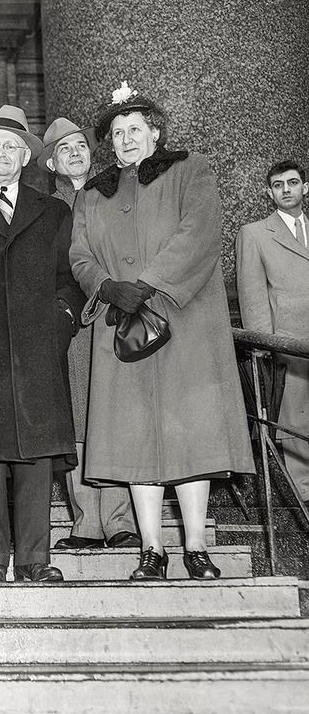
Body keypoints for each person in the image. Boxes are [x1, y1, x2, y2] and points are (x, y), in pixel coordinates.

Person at [70, 82, 254, 580]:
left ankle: (195, 545)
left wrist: (148, 284)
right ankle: (152, 549)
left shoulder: (189, 170)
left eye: (135, 129)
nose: (126, 138)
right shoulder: (93, 191)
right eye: (117, 132)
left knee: (190, 434)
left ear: (155, 132)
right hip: (123, 328)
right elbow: (80, 254)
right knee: (134, 440)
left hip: (183, 321)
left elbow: (199, 232)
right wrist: (107, 286)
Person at [0, 105, 83, 584]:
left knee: (37, 454)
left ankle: (34, 560)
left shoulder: (53, 212)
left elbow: (71, 278)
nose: (0, 154)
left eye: (10, 147)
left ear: (25, 158)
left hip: (37, 349)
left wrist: (60, 321)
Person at [40, 117, 140, 551]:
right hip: (74, 329)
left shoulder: (113, 195)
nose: (76, 153)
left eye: (80, 145)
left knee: (114, 416)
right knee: (79, 418)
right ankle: (85, 521)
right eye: (65, 149)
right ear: (51, 163)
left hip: (116, 318)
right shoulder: (44, 210)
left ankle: (119, 519)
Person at [237, 160, 309, 503]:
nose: (286, 189)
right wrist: (264, 342)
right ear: (269, 193)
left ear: (304, 188)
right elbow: (251, 294)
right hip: (289, 342)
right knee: (295, 417)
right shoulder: (254, 234)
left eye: (292, 183)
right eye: (278, 185)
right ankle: (304, 490)